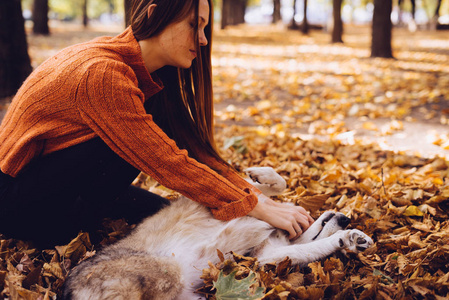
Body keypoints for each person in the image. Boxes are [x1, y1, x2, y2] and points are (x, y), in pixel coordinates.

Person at [0, 0, 313, 249]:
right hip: (17, 201)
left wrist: (247, 194)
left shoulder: (143, 75)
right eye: (194, 25)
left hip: (63, 183)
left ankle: (84, 221)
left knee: (165, 212)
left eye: (204, 28)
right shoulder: (103, 74)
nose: (202, 40)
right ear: (154, 15)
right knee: (158, 177)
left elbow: (192, 151)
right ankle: (60, 231)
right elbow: (165, 160)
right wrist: (252, 205)